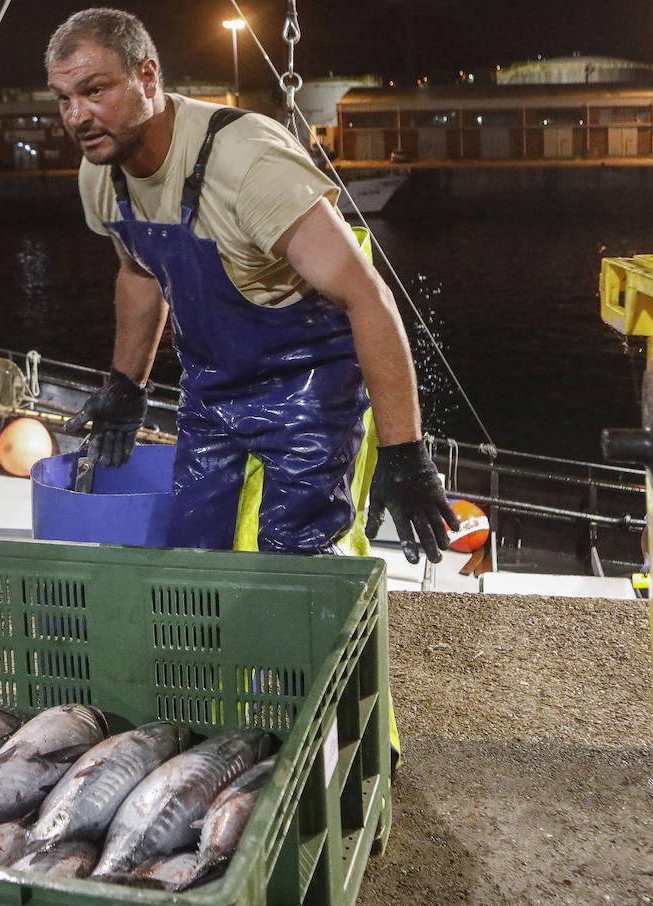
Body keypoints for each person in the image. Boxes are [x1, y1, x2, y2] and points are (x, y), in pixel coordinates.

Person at [47, 8, 456, 562]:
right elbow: (140, 272)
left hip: (306, 383)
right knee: (194, 550)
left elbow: (367, 297)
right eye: (63, 99)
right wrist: (126, 386)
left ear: (148, 76)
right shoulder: (100, 172)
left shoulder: (247, 161)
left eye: (95, 90)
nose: (77, 116)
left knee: (292, 559)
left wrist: (404, 451)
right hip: (211, 388)